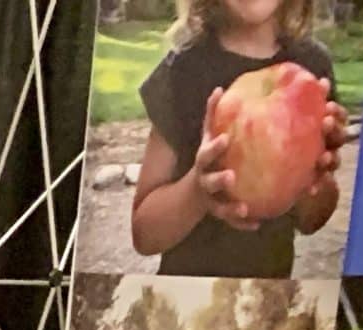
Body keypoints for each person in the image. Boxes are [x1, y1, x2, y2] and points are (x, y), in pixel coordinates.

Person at [129, 0, 345, 278]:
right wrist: (197, 192)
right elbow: (144, 235)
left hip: (268, 295)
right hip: (186, 295)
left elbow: (311, 221)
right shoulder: (181, 72)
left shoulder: (313, 69)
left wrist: (317, 177)